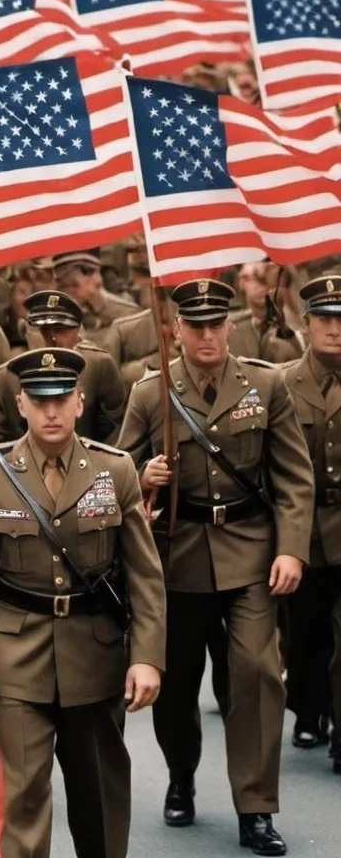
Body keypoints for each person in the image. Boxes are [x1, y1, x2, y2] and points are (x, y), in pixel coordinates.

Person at [118, 279, 314, 856]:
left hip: (250, 549)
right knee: (175, 683)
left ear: (229, 326)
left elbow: (293, 476)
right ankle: (181, 774)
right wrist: (143, 475)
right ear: (176, 329)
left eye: (215, 324)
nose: (206, 335)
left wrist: (290, 547)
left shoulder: (265, 383)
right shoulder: (151, 392)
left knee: (256, 673)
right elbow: (113, 470)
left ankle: (255, 807)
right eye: (194, 325)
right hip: (176, 555)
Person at [0, 348, 166, 858]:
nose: (51, 412)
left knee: (100, 796)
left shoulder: (115, 470)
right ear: (20, 404)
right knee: (21, 797)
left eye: (62, 399)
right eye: (39, 400)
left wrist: (147, 657)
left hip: (95, 652)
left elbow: (144, 575)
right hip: (15, 654)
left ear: (80, 401)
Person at [281, 276, 341, 770]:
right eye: (325, 318)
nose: (335, 328)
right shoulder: (282, 383)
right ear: (306, 325)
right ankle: (306, 707)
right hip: (303, 527)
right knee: (304, 631)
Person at [0, 290, 126, 444]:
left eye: (60, 329)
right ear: (24, 331)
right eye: (42, 329)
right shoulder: (4, 379)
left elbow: (116, 434)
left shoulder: (99, 365)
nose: (51, 338)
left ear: (78, 333)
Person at [53, 250, 140, 351]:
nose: (59, 286)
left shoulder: (127, 315)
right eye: (61, 284)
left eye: (68, 285)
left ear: (95, 280)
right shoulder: (49, 316)